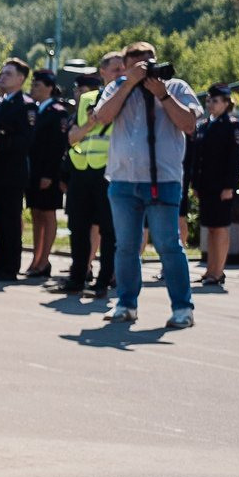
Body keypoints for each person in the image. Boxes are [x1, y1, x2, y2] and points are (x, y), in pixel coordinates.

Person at [85, 41, 202, 328]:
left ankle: (182, 308)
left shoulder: (175, 87)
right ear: (126, 67)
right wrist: (128, 84)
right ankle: (126, 304)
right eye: (137, 64)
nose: (144, 69)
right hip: (123, 179)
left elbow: (189, 124)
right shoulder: (117, 88)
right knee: (126, 246)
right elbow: (101, 117)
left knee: (168, 244)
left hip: (163, 179)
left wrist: (162, 95)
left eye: (148, 62)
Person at [60, 53, 121, 297]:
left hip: (108, 171)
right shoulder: (87, 98)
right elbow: (72, 137)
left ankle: (104, 281)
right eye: (115, 69)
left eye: (123, 69)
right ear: (102, 72)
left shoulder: (127, 99)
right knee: (78, 227)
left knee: (108, 230)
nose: (120, 73)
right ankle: (77, 277)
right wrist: (91, 123)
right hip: (82, 170)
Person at [0, 57, 36, 281]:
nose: (2, 77)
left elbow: (27, 139)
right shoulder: (0, 102)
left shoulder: (26, 105)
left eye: (8, 73)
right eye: (2, 72)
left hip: (13, 172)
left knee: (10, 221)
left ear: (21, 79)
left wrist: (1, 142)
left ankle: (10, 267)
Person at [190, 84, 239, 289]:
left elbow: (234, 159)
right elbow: (198, 159)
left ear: (226, 103)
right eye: (208, 100)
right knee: (210, 228)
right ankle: (210, 270)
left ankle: (218, 271)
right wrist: (195, 184)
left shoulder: (232, 126)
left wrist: (230, 186)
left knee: (220, 228)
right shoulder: (204, 126)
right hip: (206, 185)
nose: (210, 104)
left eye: (215, 101)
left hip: (222, 186)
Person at [25, 68, 71, 279]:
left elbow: (57, 147)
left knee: (47, 213)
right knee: (36, 214)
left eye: (37, 85)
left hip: (48, 172)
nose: (33, 88)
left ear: (50, 87)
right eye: (32, 84)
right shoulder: (36, 109)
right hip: (33, 171)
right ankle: (36, 259)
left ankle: (44, 260)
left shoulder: (57, 111)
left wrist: (50, 175)